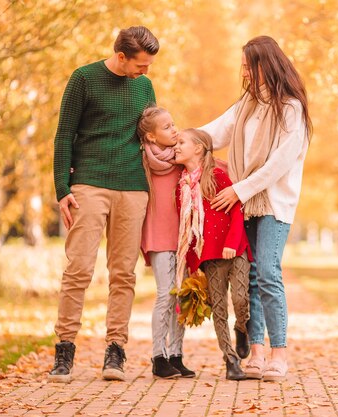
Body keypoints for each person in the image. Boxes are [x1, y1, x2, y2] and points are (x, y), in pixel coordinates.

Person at [49, 26, 159, 383]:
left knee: (124, 273)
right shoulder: (84, 79)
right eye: (141, 65)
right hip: (89, 184)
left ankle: (116, 351)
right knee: (79, 267)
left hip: (132, 187)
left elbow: (153, 133)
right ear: (122, 56)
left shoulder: (143, 86)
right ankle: (64, 351)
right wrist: (62, 187)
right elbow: (64, 133)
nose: (146, 73)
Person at [200, 35, 312, 382]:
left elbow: (279, 164)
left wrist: (239, 189)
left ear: (267, 64)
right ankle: (258, 351)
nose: (244, 71)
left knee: (267, 271)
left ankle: (280, 353)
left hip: (274, 205)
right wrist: (168, 136)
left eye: (249, 65)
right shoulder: (246, 106)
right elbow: (211, 134)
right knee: (248, 277)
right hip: (243, 205)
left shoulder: (292, 109)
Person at [174, 128, 252, 381]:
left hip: (235, 248)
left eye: (181, 142)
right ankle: (230, 361)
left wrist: (231, 242)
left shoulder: (217, 175)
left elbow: (236, 211)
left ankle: (242, 327)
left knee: (240, 299)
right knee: (218, 308)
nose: (176, 146)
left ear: (198, 148)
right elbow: (187, 230)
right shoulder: (182, 187)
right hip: (208, 256)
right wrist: (193, 264)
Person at [137, 106, 196, 379]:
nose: (174, 130)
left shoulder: (182, 158)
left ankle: (176, 354)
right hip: (158, 234)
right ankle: (158, 357)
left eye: (174, 124)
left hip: (183, 236)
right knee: (165, 294)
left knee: (180, 295)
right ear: (151, 137)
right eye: (167, 127)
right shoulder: (141, 161)